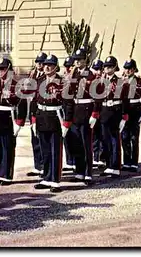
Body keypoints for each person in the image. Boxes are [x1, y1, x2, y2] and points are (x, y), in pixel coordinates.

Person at [30, 54, 72, 193]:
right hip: (42, 116)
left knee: (55, 150)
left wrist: (66, 123)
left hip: (55, 117)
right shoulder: (39, 80)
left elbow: (68, 103)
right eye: (46, 64)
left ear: (55, 67)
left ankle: (55, 180)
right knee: (45, 150)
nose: (47, 67)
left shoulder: (62, 82)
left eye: (50, 65)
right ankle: (46, 177)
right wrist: (33, 119)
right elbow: (34, 101)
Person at [0, 57, 27, 186]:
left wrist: (19, 123)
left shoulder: (16, 85)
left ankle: (7, 176)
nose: (1, 72)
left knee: (8, 147)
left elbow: (22, 104)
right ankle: (1, 174)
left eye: (3, 69)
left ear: (9, 70)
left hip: (9, 118)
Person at [67, 48, 101, 183]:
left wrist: (95, 114)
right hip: (76, 110)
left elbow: (98, 96)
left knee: (86, 143)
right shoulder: (73, 73)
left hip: (87, 110)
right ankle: (79, 171)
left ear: (85, 60)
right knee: (76, 143)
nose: (77, 62)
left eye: (80, 59)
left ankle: (88, 172)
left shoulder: (91, 75)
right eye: (76, 59)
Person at [97, 56, 129, 177]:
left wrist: (124, 116)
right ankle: (109, 165)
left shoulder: (120, 82)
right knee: (105, 139)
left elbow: (125, 100)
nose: (107, 68)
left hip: (115, 111)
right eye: (105, 66)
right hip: (104, 111)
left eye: (109, 66)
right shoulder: (101, 81)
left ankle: (115, 166)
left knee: (115, 140)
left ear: (115, 67)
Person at [121, 59, 141, 172]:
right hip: (125, 110)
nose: (128, 71)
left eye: (130, 68)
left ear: (134, 69)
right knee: (124, 137)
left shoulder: (140, 82)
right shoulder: (121, 81)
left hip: (135, 109)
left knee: (134, 137)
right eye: (126, 68)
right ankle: (127, 162)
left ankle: (134, 163)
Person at [26, 52, 47, 177]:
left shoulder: (46, 76)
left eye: (41, 62)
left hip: (41, 110)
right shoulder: (33, 74)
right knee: (34, 139)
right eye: (37, 62)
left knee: (42, 139)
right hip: (33, 109)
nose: (39, 64)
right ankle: (37, 165)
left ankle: (45, 166)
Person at [90, 59, 106, 167]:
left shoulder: (105, 80)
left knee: (103, 135)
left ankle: (101, 157)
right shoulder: (90, 80)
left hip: (104, 110)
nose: (98, 72)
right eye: (96, 69)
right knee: (94, 135)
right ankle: (95, 157)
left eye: (100, 69)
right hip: (93, 110)